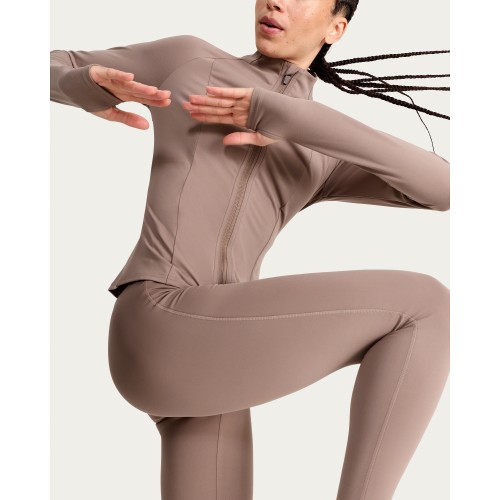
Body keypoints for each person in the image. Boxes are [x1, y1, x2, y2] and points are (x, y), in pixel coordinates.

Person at [50, 0, 450, 498]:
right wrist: (82, 84)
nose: (276, 1)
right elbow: (45, 65)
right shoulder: (191, 63)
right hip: (160, 319)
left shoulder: (317, 148)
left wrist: (293, 119)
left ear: (336, 27)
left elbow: (444, 188)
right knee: (427, 306)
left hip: (218, 350)